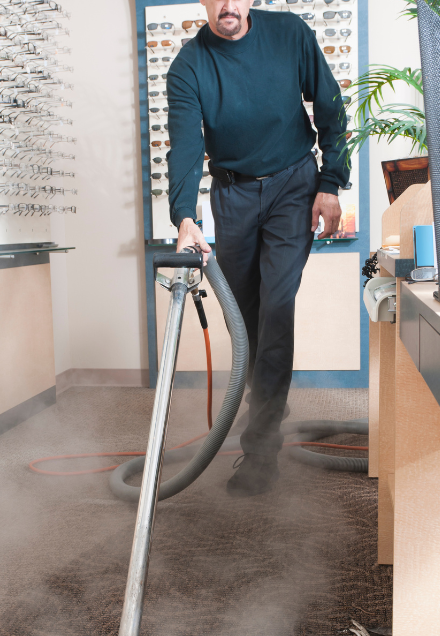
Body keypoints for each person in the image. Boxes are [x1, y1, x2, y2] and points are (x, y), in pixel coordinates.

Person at [166, 0, 350, 496]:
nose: (228, 6)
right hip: (233, 194)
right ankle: (268, 398)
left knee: (277, 306)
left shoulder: (289, 34)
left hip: (294, 185)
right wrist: (185, 214)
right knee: (245, 321)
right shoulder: (189, 65)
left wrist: (330, 183)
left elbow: (331, 107)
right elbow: (184, 144)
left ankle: (260, 450)